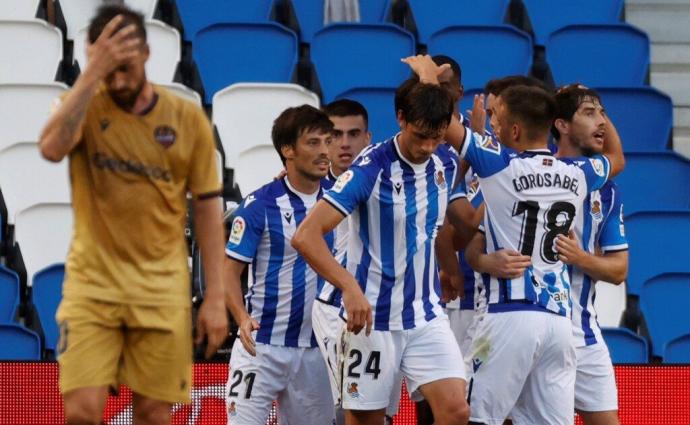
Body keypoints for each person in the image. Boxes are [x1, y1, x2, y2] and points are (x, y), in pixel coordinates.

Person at [403, 54, 625, 425]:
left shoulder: (501, 164)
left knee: (473, 417)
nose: (493, 126)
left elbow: (445, 123)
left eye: (498, 120)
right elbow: (616, 157)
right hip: (558, 324)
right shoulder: (579, 172)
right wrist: (598, 110)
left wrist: (427, 76)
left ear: (515, 132)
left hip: (509, 316)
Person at [39, 5, 228, 425]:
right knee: (81, 413)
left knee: (153, 414)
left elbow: (209, 209)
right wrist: (91, 74)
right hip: (92, 288)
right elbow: (51, 148)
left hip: (161, 290)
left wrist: (215, 297)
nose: (118, 80)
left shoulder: (186, 120)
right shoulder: (84, 105)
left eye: (125, 67)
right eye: (109, 69)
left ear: (145, 52)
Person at [293, 82, 470, 425]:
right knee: (366, 420)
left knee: (456, 411)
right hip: (370, 318)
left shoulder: (445, 160)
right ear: (400, 119)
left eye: (436, 136)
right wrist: (350, 287)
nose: (428, 146)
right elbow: (305, 236)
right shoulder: (369, 170)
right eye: (421, 136)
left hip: (424, 314)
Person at [224, 105, 336, 424]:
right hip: (261, 348)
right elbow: (229, 272)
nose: (324, 151)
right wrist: (241, 317)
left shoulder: (340, 202)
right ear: (288, 150)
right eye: (313, 143)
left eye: (326, 142)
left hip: (317, 351)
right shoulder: (259, 205)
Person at [314, 99, 405, 425]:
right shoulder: (307, 187)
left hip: (384, 307)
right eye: (335, 134)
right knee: (347, 408)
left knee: (383, 411)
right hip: (331, 308)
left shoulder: (389, 180)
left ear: (368, 137)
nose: (344, 143)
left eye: (353, 134)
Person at [552, 85, 628, 425]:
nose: (601, 122)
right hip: (539, 328)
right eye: (588, 113)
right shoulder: (533, 173)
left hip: (585, 332)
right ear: (561, 125)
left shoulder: (606, 190)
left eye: (603, 114)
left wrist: (580, 257)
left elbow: (618, 270)